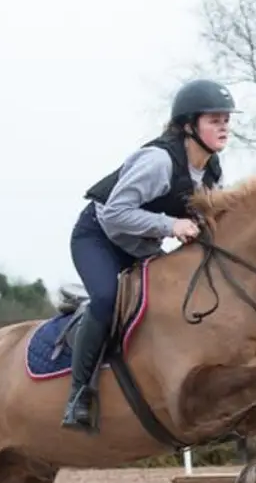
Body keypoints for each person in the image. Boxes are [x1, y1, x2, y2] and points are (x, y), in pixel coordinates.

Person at [61, 78, 238, 432]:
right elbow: (113, 214)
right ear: (189, 125)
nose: (224, 127)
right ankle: (78, 395)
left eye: (226, 120)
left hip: (139, 244)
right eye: (214, 120)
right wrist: (172, 225)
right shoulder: (158, 161)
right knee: (107, 298)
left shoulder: (212, 170)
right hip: (99, 236)